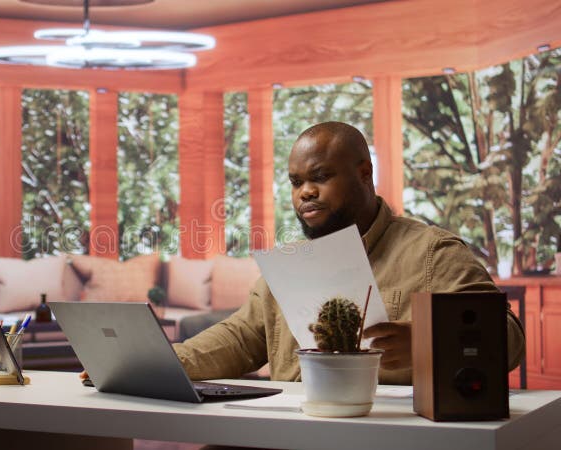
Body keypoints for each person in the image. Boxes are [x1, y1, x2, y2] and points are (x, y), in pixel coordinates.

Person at [168, 121, 525, 385]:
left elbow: (509, 339)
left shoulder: (432, 252)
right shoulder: (287, 267)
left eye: (320, 177)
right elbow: (237, 340)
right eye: (296, 182)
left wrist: (430, 340)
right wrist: (161, 363)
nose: (305, 192)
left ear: (364, 173)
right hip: (286, 434)